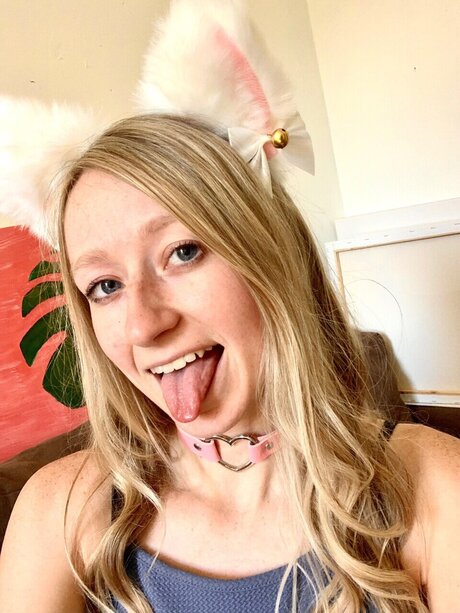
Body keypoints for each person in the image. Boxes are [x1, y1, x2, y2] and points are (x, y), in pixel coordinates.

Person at [0, 2, 459, 612]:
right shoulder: (59, 513)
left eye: (183, 252)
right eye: (105, 286)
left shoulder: (433, 489)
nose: (143, 325)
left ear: (271, 254)